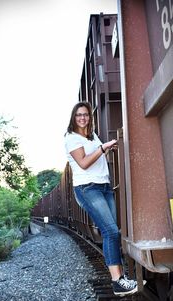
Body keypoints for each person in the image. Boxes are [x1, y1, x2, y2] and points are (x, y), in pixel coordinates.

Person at [64, 101, 139, 296]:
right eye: (79, 115)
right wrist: (103, 148)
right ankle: (117, 282)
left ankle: (122, 278)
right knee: (111, 231)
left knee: (113, 232)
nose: (83, 118)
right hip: (87, 188)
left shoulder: (91, 136)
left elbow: (97, 157)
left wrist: (106, 148)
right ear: (73, 117)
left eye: (86, 114)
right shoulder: (71, 138)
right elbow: (84, 163)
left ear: (90, 117)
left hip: (103, 186)